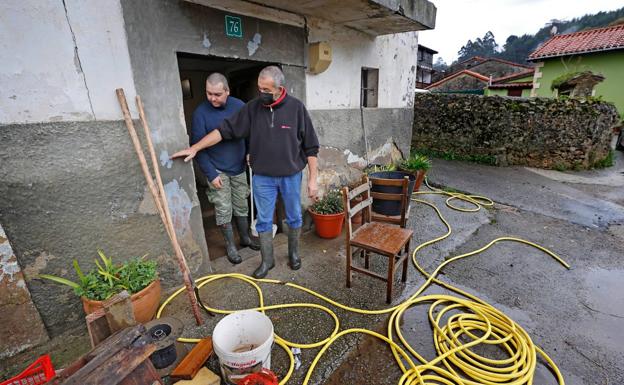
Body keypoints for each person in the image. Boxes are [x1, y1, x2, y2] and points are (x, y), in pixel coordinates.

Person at [173, 66, 319, 278]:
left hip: (290, 176)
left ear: (280, 89)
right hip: (262, 178)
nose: (262, 94)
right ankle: (267, 261)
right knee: (263, 220)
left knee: (295, 216)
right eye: (259, 89)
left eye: (266, 90)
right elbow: (224, 131)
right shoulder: (252, 108)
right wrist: (196, 148)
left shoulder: (296, 108)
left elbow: (311, 146)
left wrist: (313, 179)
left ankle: (294, 253)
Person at [190, 73, 259, 265]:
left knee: (242, 204)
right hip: (217, 169)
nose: (212, 98)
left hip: (239, 167)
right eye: (208, 93)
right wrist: (210, 174)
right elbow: (198, 147)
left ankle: (245, 238)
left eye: (217, 94)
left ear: (227, 91)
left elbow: (250, 133)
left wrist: (250, 151)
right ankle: (230, 245)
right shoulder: (200, 113)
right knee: (223, 209)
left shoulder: (240, 107)